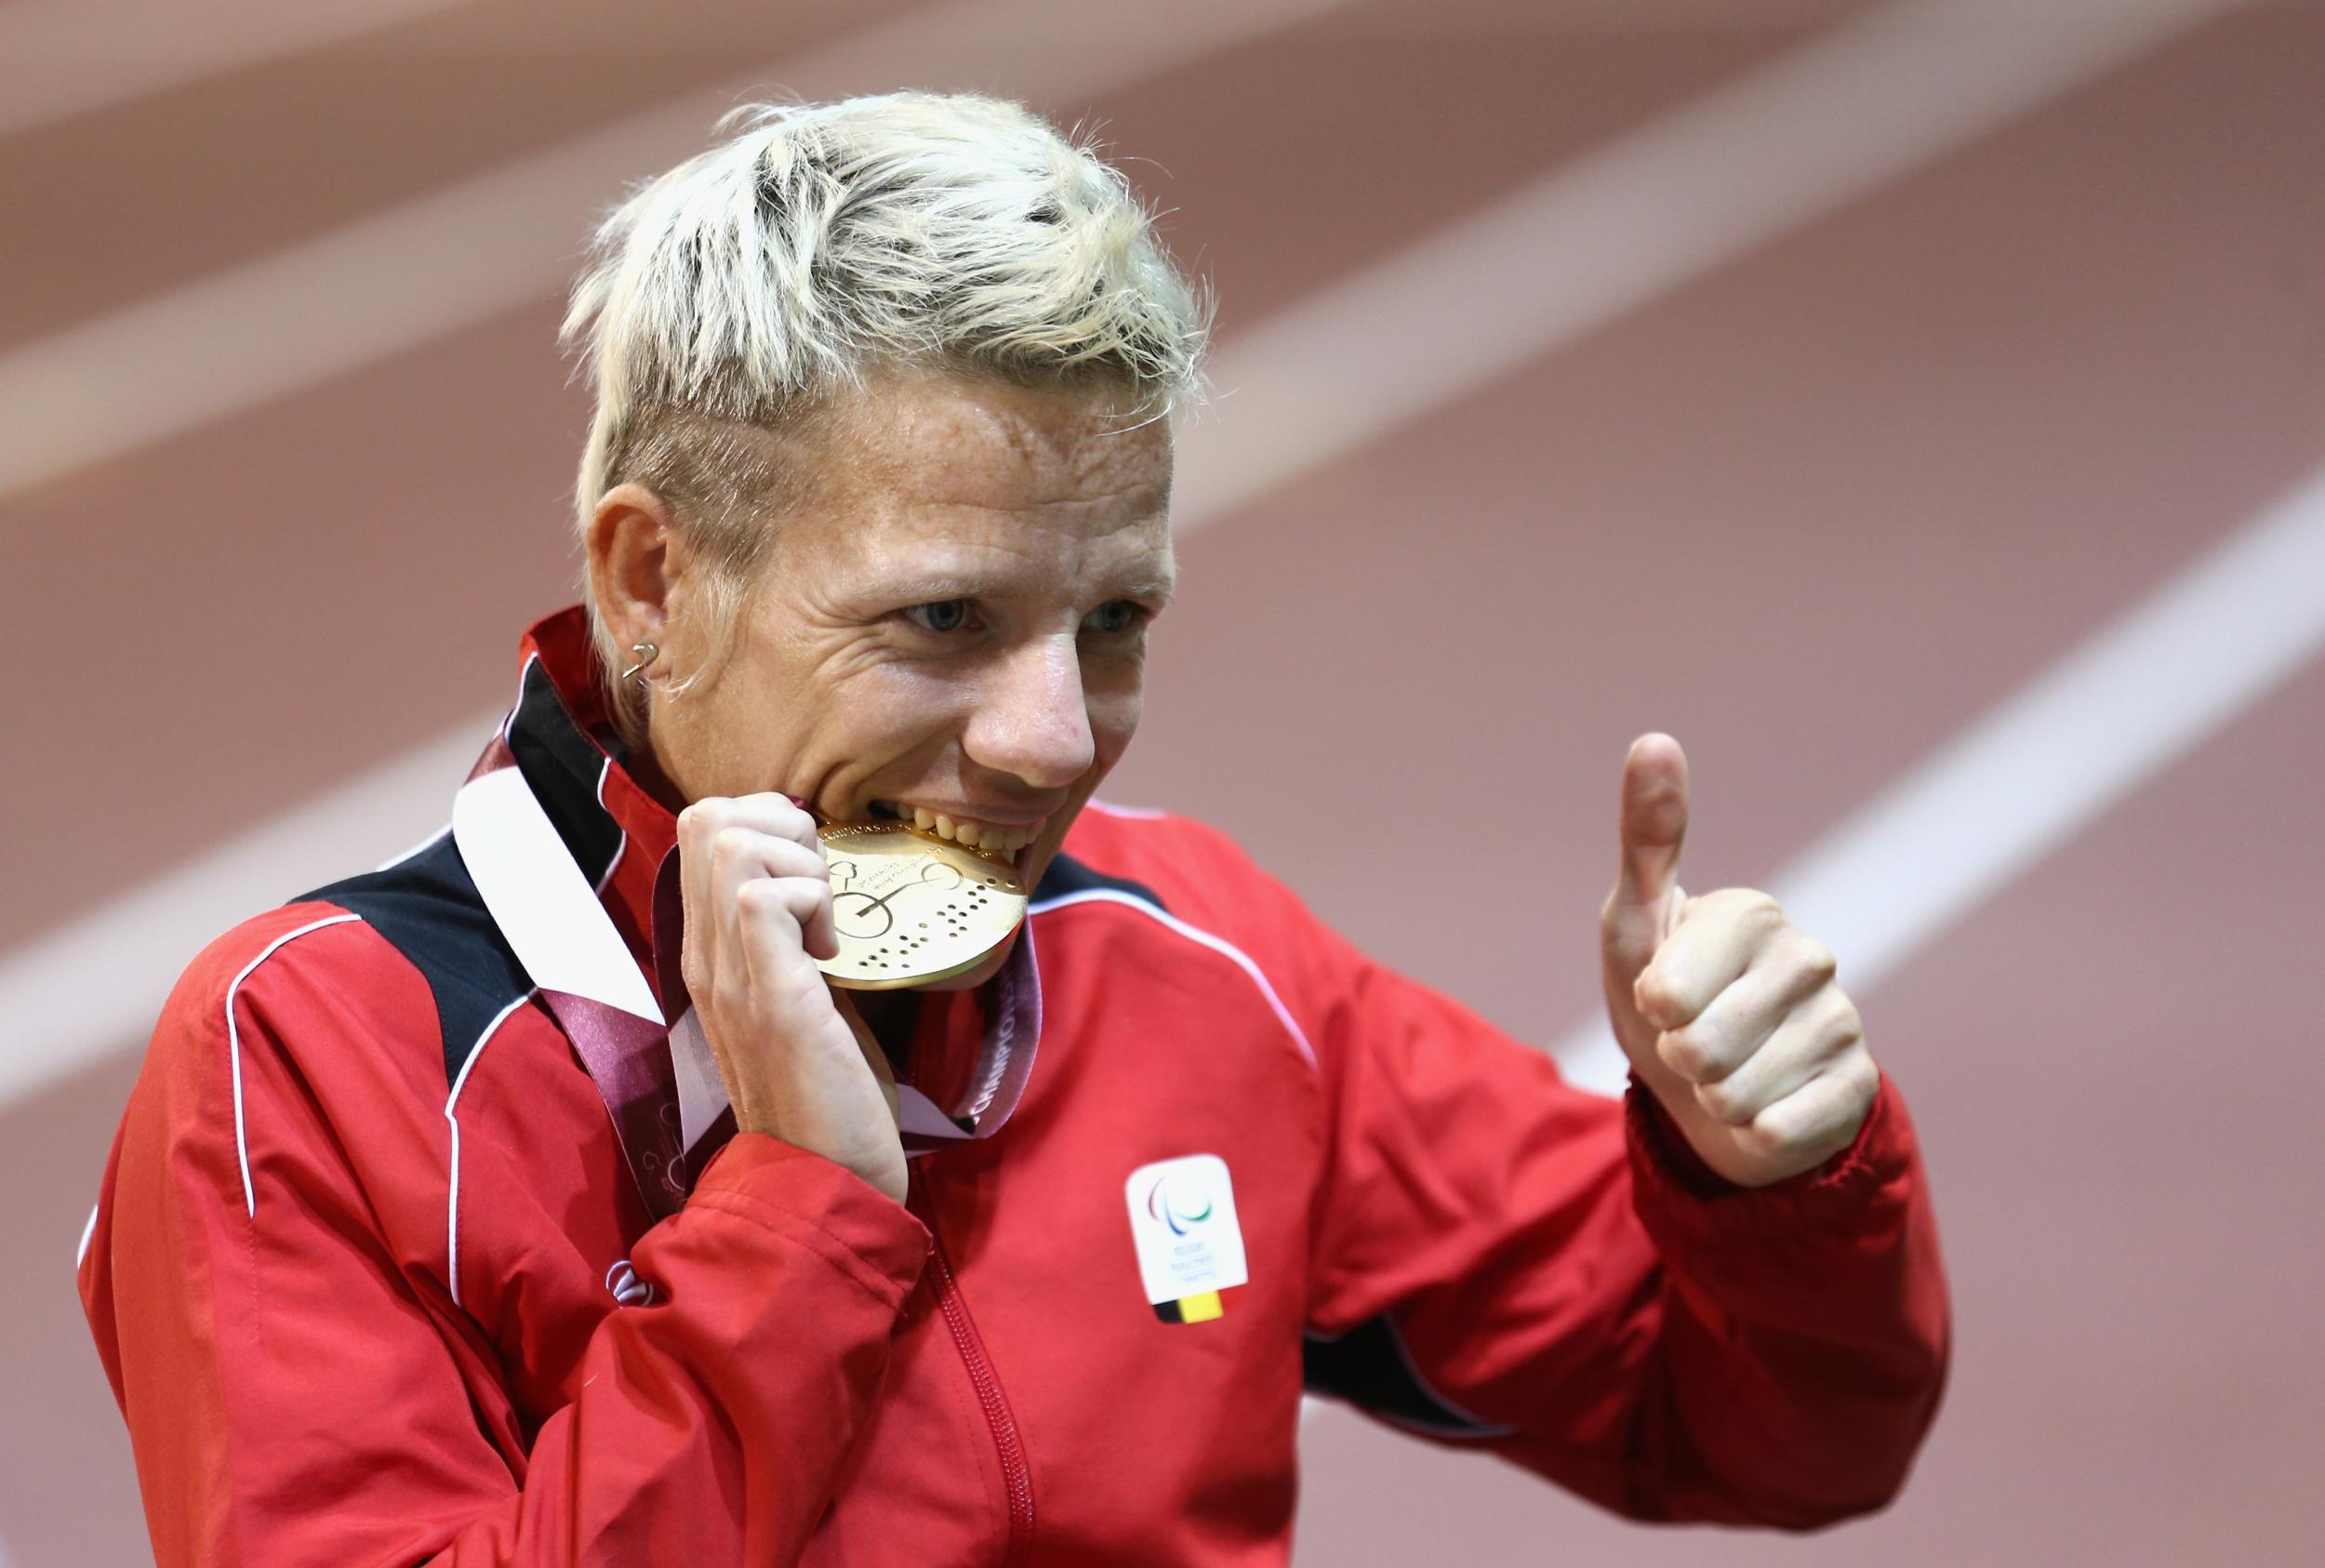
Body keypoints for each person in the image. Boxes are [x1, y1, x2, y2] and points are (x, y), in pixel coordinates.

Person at [78, 92, 1947, 1565]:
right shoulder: (320, 1063)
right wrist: (797, 1223)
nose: (1060, 743)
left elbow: (1769, 1436)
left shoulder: (1192, 959)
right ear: (655, 577)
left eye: (1113, 621)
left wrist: (1774, 1181)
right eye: (942, 623)